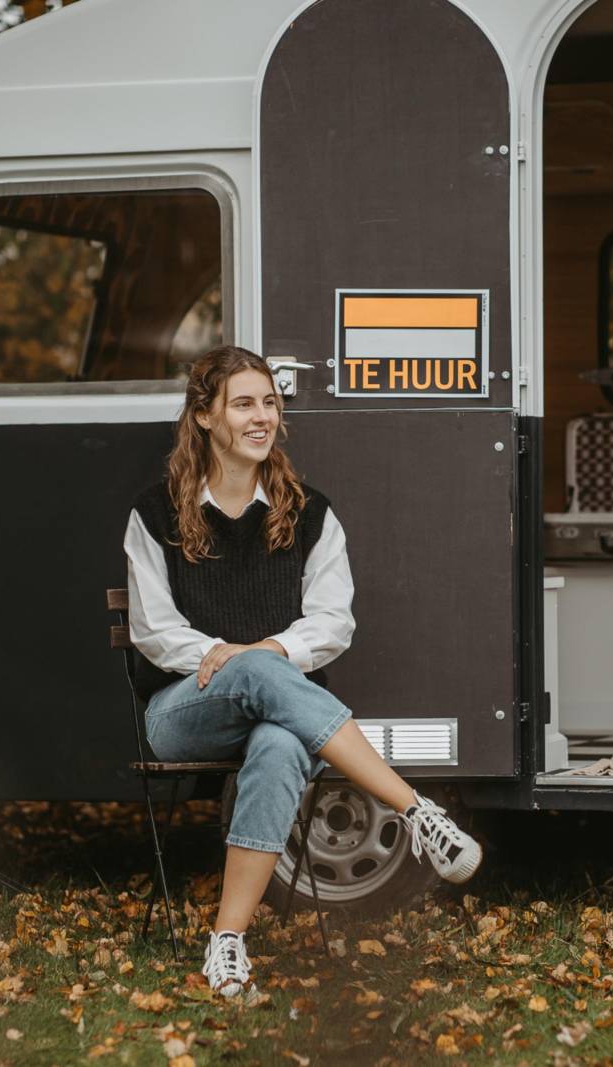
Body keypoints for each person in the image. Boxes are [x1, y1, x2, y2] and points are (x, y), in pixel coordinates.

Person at [122, 345, 483, 998]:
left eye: (269, 401)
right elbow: (154, 628)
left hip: (280, 712)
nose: (262, 417)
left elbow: (331, 623)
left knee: (282, 740)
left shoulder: (310, 512)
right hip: (183, 713)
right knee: (257, 671)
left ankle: (226, 943)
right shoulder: (156, 513)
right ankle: (414, 810)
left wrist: (264, 654)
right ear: (204, 416)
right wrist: (232, 659)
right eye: (243, 403)